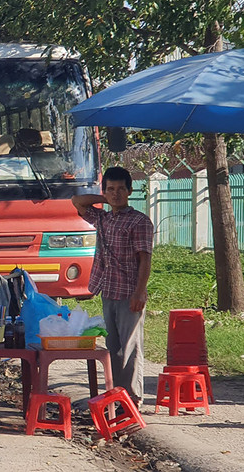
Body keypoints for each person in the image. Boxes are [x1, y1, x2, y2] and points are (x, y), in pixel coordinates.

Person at [72, 166, 154, 407]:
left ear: (130, 191)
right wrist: (104, 198)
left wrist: (140, 292)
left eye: (121, 189)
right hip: (107, 290)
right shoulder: (103, 217)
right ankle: (119, 396)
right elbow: (77, 201)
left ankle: (133, 399)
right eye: (111, 189)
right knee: (113, 347)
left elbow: (145, 259)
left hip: (130, 293)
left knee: (130, 348)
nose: (116, 194)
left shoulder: (139, 221)